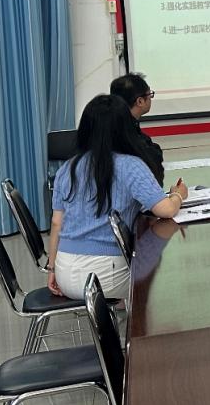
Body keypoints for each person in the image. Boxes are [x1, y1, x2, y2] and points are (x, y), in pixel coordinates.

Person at [47, 94, 187, 300]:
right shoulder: (130, 166)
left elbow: (56, 223)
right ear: (125, 129)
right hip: (104, 278)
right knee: (163, 278)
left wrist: (52, 268)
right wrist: (178, 195)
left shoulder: (67, 169)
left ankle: (113, 314)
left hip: (64, 274)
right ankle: (131, 318)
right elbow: (166, 210)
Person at [110, 72, 165, 184]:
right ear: (140, 101)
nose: (151, 98)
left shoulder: (111, 125)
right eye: (149, 94)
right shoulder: (127, 135)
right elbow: (154, 167)